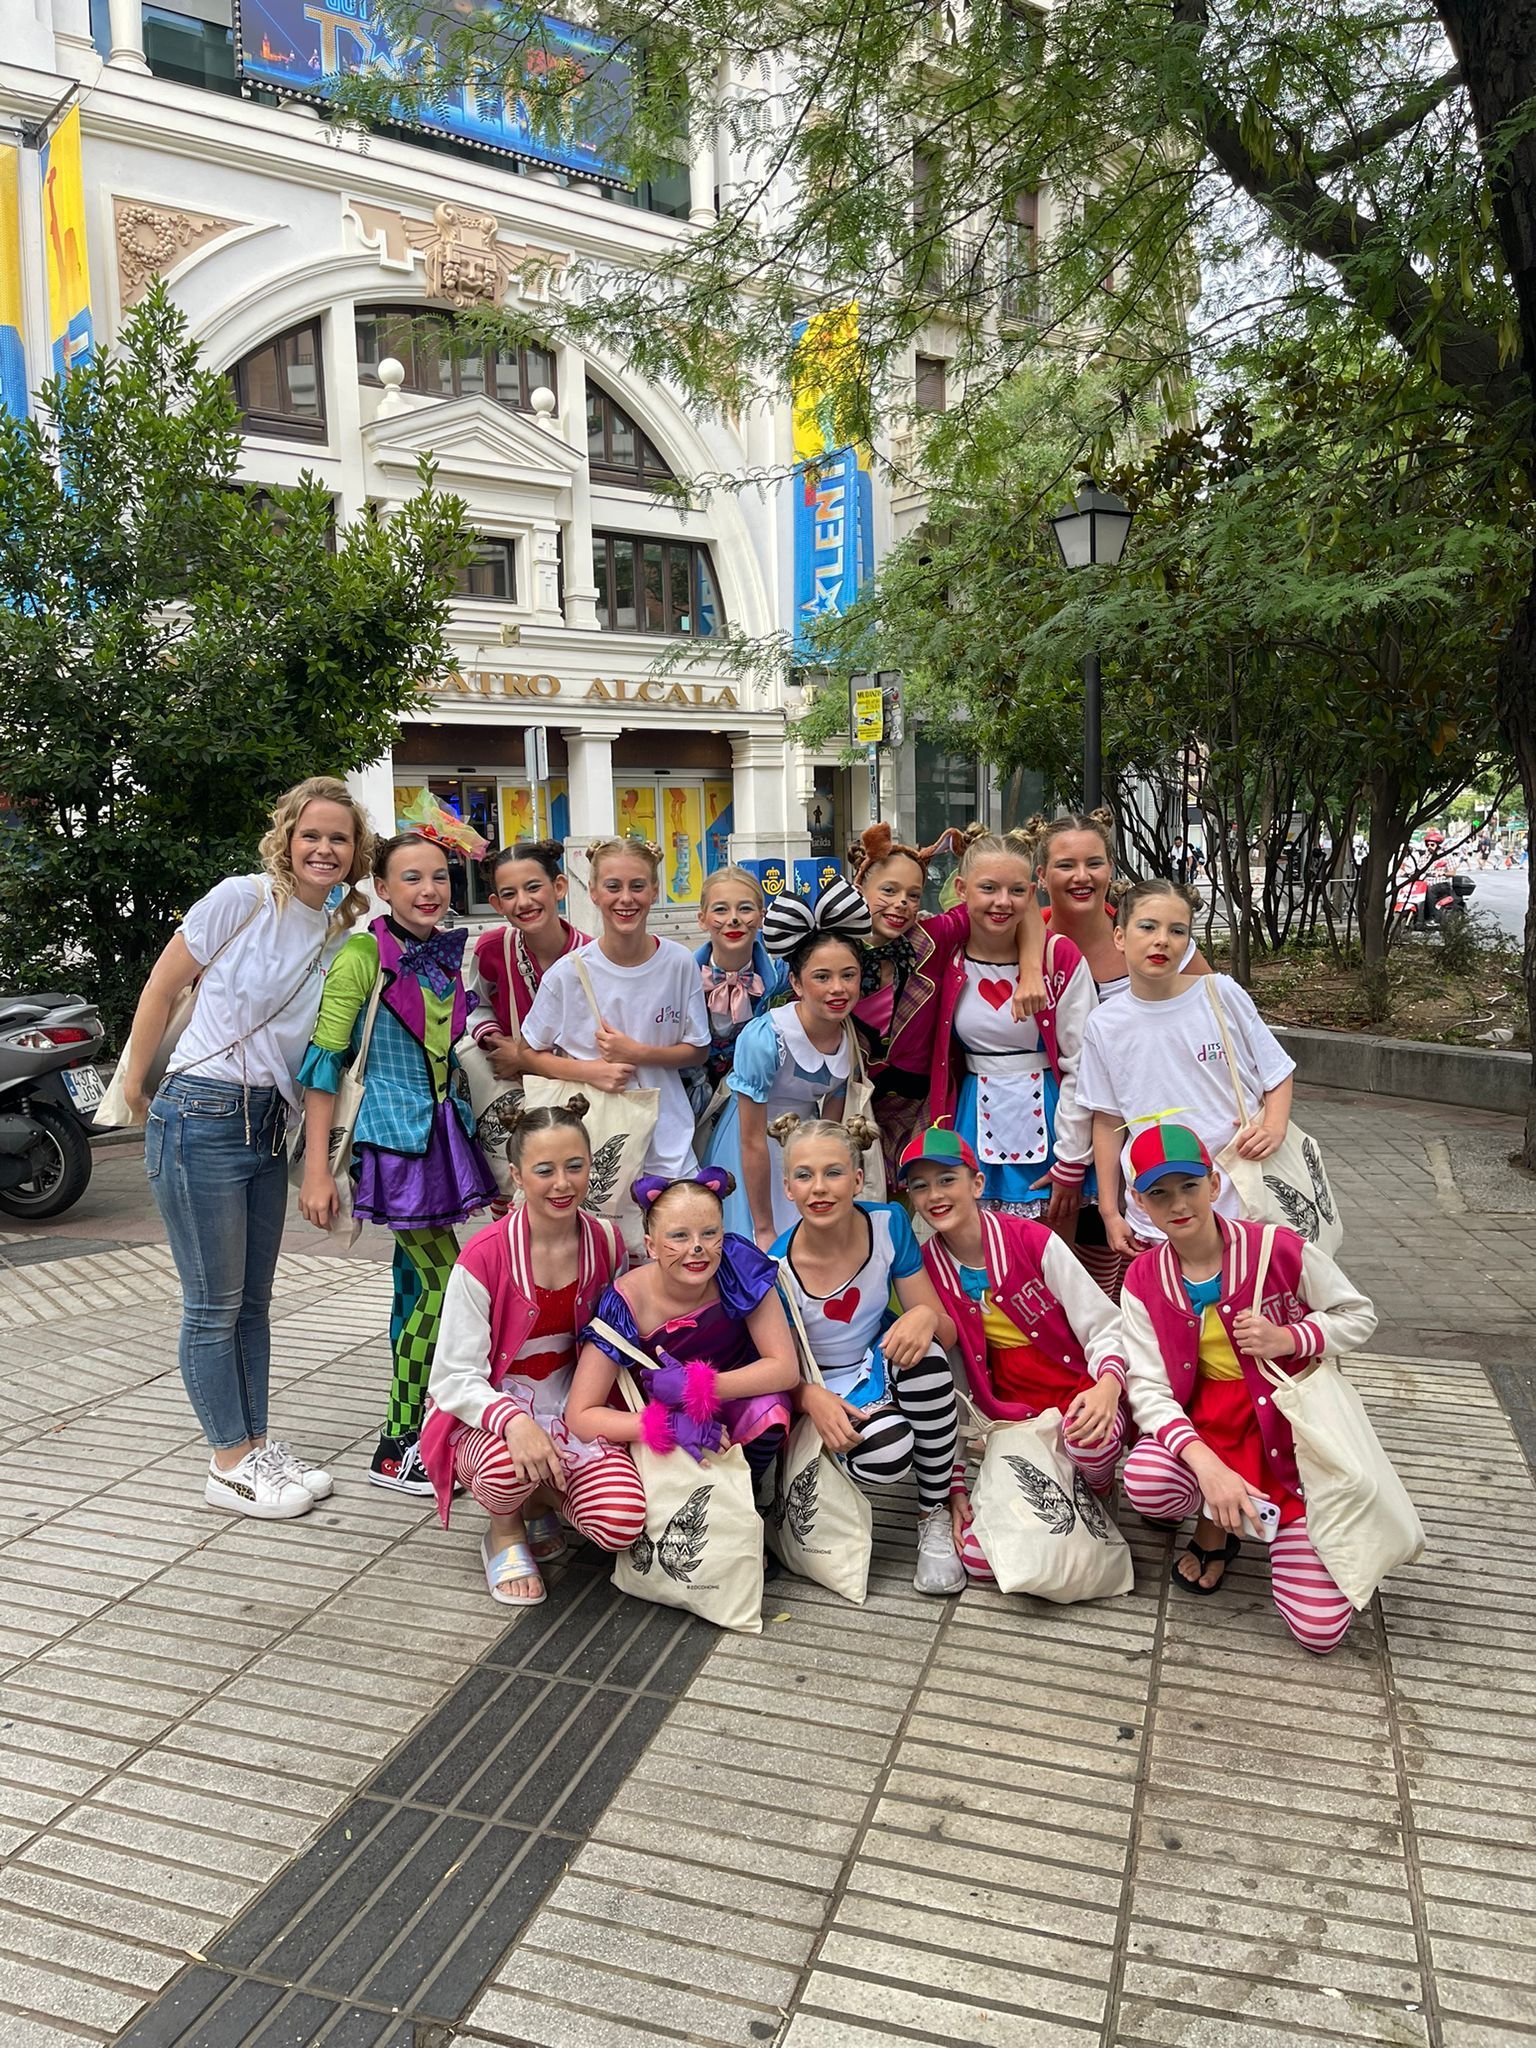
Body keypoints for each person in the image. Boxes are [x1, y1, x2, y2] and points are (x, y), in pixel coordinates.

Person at [126, 776, 371, 1519]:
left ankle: (255, 1444)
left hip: (270, 1124)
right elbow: (163, 989)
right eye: (313, 834)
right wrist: (139, 1090)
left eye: (340, 838)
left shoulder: (339, 932)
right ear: (287, 840)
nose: (325, 848)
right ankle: (226, 1458)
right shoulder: (242, 898)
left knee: (253, 1305)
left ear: (355, 853)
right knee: (212, 1305)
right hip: (201, 1110)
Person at [1118, 1124, 1376, 1650]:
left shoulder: (1275, 1248)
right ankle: (1219, 1518)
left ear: (1215, 1185)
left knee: (1320, 1629)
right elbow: (1147, 1388)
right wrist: (1207, 1469)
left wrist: (1290, 1336)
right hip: (1211, 1425)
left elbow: (1358, 1315)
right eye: (1158, 1193)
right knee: (1149, 1482)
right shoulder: (1143, 1278)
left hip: (1292, 1431)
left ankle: (1270, 1526)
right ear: (1140, 1203)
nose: (1178, 1204)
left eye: (1189, 1186)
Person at [298, 833, 498, 1494]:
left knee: (414, 1287)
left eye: (439, 877)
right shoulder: (362, 953)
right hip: (389, 1136)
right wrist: (319, 1170)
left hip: (438, 1131)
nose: (429, 890)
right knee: (444, 1286)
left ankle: (413, 1430)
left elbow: (459, 1044)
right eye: (411, 878)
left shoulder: (446, 953)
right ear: (382, 888)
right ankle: (397, 1441)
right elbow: (325, 1063)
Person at [418, 1098, 644, 1605]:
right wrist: (515, 1423)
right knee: (504, 1466)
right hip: (493, 1413)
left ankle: (542, 1497)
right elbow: (452, 1376)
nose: (562, 1184)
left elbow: (624, 1337)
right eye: (544, 1171)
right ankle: (504, 1531)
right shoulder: (485, 1255)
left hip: (573, 1408)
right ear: (517, 1175)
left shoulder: (606, 1242)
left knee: (622, 1522)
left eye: (575, 1167)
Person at [900, 1124, 1129, 1588]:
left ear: (977, 1184)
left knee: (1091, 1438)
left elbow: (1104, 1323)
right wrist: (955, 1483)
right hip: (1009, 1425)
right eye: (920, 1186)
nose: (934, 1195)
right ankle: (1065, 1486)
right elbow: (954, 1383)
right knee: (979, 1560)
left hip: (1078, 1401)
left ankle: (1098, 1486)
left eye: (947, 1179)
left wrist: (1108, 1386)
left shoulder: (1032, 1241)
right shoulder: (926, 1268)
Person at [769, 1117, 966, 1596]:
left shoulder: (888, 1224)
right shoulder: (774, 1268)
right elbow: (774, 1367)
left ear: (858, 1179)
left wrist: (924, 1316)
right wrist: (808, 1397)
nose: (820, 1188)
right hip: (817, 1389)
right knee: (889, 1452)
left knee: (929, 1358)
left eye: (834, 1173)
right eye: (804, 1175)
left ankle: (932, 1516)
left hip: (878, 1364)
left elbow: (947, 1330)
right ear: (788, 1188)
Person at [1076, 879, 1295, 1262]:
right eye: (1148, 927)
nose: (1162, 940)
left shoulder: (1220, 993)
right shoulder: (1103, 1023)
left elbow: (1276, 1072)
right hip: (1157, 1216)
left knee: (1247, 1315)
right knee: (1174, 1315)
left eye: (1177, 930)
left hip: (1242, 1200)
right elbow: (1107, 1119)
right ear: (1120, 936)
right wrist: (1110, 1211)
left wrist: (1273, 1128)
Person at [567, 1169, 799, 1495]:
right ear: (651, 1246)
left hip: (731, 1398)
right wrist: (667, 1425)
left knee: (770, 1408)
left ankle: (749, 1491)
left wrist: (698, 1386)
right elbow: (580, 1416)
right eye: (679, 1236)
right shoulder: (626, 1303)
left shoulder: (738, 1266)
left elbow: (785, 1370)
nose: (697, 1248)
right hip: (662, 1419)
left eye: (709, 1233)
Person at [848, 825, 1046, 1180]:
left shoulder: (932, 937)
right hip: (857, 1099)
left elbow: (1022, 903)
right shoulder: (836, 949)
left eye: (913, 894)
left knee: (919, 1196)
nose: (901, 904)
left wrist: (1031, 972)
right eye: (888, 891)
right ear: (861, 886)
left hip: (921, 1101)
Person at [927, 824, 1096, 1226]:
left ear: (1032, 892)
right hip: (970, 1118)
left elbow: (1083, 1061)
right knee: (979, 1256)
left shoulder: (1059, 958)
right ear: (962, 888)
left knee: (1053, 1263)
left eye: (1017, 891)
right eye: (988, 889)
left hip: (1054, 1121)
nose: (1002, 902)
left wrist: (1072, 1154)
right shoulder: (944, 954)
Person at [519, 838, 711, 1176]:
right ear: (593, 892)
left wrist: (637, 1052)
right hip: (596, 1142)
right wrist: (591, 1072)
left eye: (637, 886)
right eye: (613, 886)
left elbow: (697, 1049)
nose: (626, 899)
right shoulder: (567, 974)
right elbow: (528, 1052)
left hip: (670, 1140)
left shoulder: (679, 962)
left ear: (654, 891)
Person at [703, 881, 867, 1245]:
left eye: (848, 975)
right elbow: (751, 1142)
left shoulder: (849, 1036)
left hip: (805, 1147)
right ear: (796, 982)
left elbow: (829, 1128)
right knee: (755, 1248)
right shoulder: (767, 1039)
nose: (837, 988)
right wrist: (763, 1227)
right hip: (751, 1147)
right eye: (821, 977)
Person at [1031, 811, 1209, 1002]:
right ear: (1042, 875)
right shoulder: (1016, 947)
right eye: (1066, 866)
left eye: (1094, 864)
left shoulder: (1160, 940)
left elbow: (1220, 1009)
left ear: (1110, 869)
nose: (1082, 876)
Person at [465, 840, 588, 1078]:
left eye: (533, 887)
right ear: (497, 904)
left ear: (559, 887)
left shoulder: (592, 957)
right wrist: (496, 1039)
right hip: (515, 1092)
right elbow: (476, 1004)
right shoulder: (493, 949)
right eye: (509, 894)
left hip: (582, 1089)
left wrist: (522, 1057)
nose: (523, 902)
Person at [685, 865, 786, 1116]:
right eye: (720, 909)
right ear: (702, 918)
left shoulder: (782, 979)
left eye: (745, 908)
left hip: (762, 1105)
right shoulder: (681, 977)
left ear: (762, 916)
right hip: (693, 1107)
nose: (733, 919)